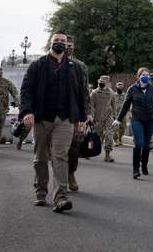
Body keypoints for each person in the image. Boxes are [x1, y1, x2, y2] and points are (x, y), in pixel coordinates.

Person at [19, 31, 87, 213]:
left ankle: (60, 197)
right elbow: (26, 90)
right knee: (40, 158)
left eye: (63, 41)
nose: (59, 43)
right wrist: (26, 112)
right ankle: (41, 192)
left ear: (67, 45)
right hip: (42, 118)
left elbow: (81, 94)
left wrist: (82, 117)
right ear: (50, 43)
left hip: (65, 119)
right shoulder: (37, 65)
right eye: (56, 40)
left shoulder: (75, 68)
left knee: (60, 156)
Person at [113, 68, 153, 179]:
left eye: (148, 75)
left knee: (147, 144)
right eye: (143, 75)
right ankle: (135, 169)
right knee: (138, 143)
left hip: (149, 120)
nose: (146, 77)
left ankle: (144, 164)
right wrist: (118, 119)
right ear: (138, 77)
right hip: (137, 119)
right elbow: (126, 105)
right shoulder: (132, 89)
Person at [64, 35, 91, 192]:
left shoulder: (80, 66)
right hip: (54, 113)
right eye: (65, 44)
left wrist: (87, 114)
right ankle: (59, 177)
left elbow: (85, 92)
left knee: (75, 144)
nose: (68, 47)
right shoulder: (48, 63)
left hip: (74, 113)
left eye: (71, 45)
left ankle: (70, 173)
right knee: (58, 147)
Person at [90, 75, 117, 162]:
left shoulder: (111, 93)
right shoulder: (94, 93)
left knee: (109, 136)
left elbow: (114, 105)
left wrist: (115, 117)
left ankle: (107, 155)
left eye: (103, 83)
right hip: (97, 118)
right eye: (100, 83)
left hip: (108, 117)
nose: (101, 84)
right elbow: (91, 106)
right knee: (94, 137)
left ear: (108, 83)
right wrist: (91, 117)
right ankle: (89, 151)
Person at [113, 81, 128, 146]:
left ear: (123, 87)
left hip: (123, 114)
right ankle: (115, 140)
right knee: (115, 128)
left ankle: (120, 139)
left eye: (121, 85)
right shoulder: (113, 95)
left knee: (122, 128)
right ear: (116, 87)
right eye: (118, 85)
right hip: (115, 114)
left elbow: (128, 104)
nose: (120, 87)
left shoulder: (125, 95)